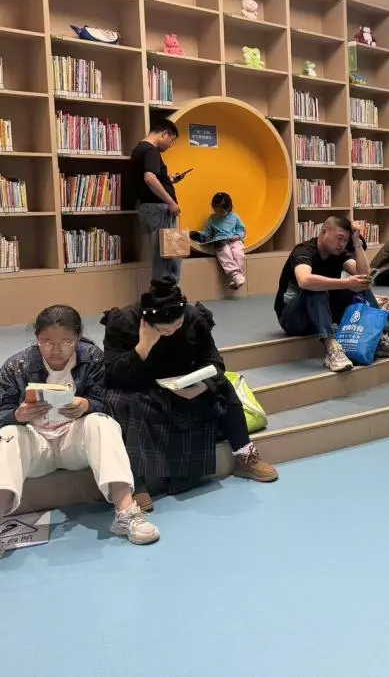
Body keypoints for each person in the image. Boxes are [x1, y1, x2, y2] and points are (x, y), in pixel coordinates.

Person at [102, 278, 277, 512]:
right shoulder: (124, 322)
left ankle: (245, 455)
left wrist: (203, 385)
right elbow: (112, 375)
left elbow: (214, 362)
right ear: (147, 323)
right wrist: (143, 347)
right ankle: (135, 481)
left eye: (177, 325)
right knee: (117, 400)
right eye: (163, 329)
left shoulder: (194, 318)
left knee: (223, 385)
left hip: (185, 387)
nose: (171, 332)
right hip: (142, 388)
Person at [0, 305, 159, 550]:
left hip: (72, 441)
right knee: (8, 434)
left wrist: (87, 404)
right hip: (35, 445)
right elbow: (2, 413)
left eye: (66, 342)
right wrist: (17, 415)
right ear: (36, 338)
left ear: (77, 337)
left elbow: (104, 401)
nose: (56, 350)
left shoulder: (91, 357)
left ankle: (126, 512)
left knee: (102, 422)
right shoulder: (16, 366)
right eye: (46, 342)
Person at [274, 217, 389, 372]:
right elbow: (304, 280)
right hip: (293, 319)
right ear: (324, 232)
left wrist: (357, 243)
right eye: (339, 238)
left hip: (321, 314)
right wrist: (346, 283)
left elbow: (365, 276)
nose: (342, 244)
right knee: (315, 288)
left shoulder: (339, 254)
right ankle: (332, 348)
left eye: (346, 240)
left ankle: (379, 338)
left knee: (361, 284)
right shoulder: (304, 251)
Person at [131, 119, 187, 283]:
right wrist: (171, 202)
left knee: (162, 256)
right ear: (165, 134)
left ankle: (163, 292)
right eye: (172, 140)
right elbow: (149, 178)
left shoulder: (139, 149)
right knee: (168, 258)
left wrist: (169, 180)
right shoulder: (151, 150)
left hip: (148, 208)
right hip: (159, 210)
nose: (170, 145)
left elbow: (149, 179)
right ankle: (166, 294)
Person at [192, 192, 246, 289]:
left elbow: (242, 230)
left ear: (229, 208)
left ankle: (237, 277)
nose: (218, 213)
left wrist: (238, 236)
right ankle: (235, 275)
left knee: (238, 253)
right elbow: (207, 233)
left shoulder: (235, 217)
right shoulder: (212, 218)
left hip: (233, 240)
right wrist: (199, 236)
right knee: (225, 252)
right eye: (216, 210)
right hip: (220, 242)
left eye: (221, 211)